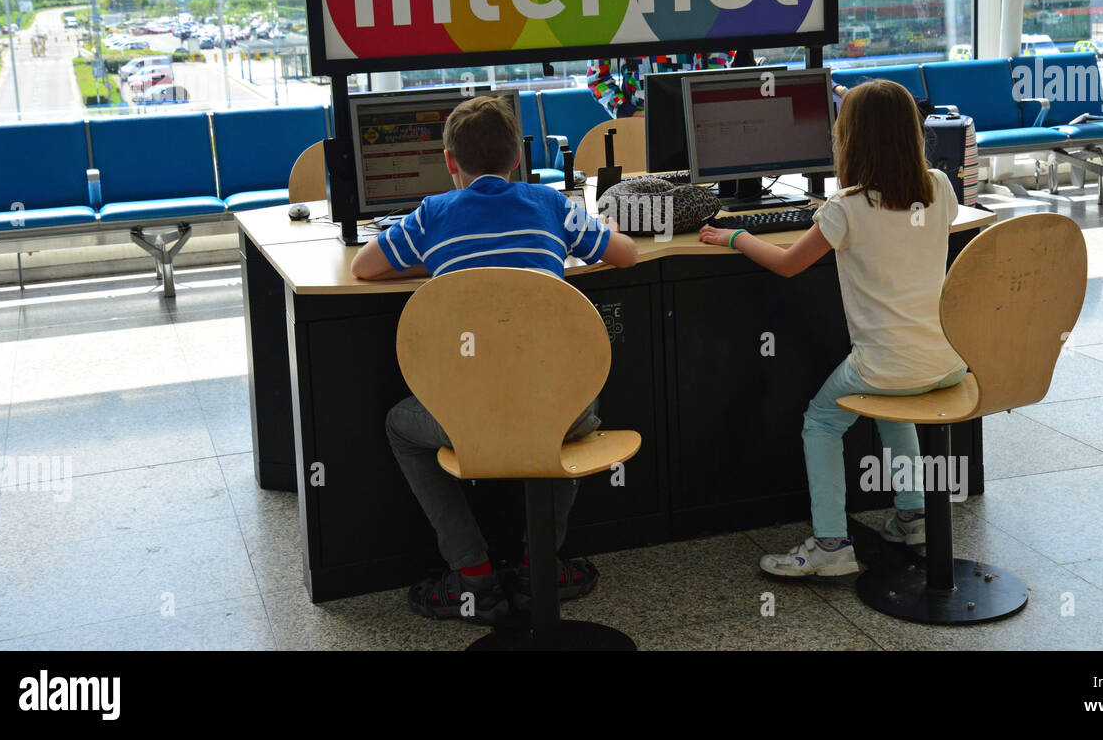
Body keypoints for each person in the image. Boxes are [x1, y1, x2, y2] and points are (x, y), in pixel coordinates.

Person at [350, 94, 640, 624]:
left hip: (465, 419)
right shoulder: (549, 204)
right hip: (560, 407)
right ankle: (539, 570)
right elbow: (626, 254)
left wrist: (438, 264)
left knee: (400, 426)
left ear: (449, 161)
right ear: (517, 160)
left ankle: (473, 575)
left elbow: (365, 269)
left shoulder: (432, 214)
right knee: (561, 421)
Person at [699, 79, 967, 578]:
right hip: (948, 362)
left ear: (851, 138)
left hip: (885, 365)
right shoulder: (940, 187)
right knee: (897, 406)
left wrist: (734, 236)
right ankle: (913, 517)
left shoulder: (845, 207)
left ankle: (831, 546)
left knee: (822, 422)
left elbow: (787, 264)